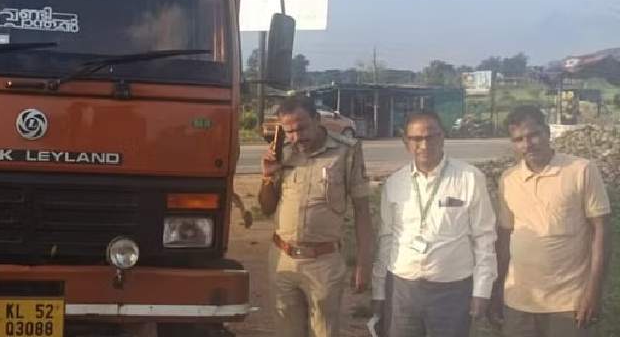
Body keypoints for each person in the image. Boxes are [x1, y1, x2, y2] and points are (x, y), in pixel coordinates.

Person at [371, 110, 497, 337]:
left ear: (443, 137)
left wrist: (482, 291)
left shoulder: (470, 178)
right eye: (416, 139)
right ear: (406, 142)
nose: (424, 145)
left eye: (431, 137)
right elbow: (386, 239)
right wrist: (379, 293)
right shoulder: (394, 183)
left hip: (452, 291)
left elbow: (484, 238)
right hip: (403, 290)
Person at [489, 105, 611, 336]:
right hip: (519, 301)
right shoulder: (509, 179)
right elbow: (505, 237)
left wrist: (594, 291)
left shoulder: (581, 170)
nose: (527, 144)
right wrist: (497, 292)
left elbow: (601, 231)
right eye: (518, 139)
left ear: (547, 132)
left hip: (569, 302)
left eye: (533, 135)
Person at [259, 95, 373, 337]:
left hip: (324, 263)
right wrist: (268, 177)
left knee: (324, 332)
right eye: (289, 131)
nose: (296, 137)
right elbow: (267, 208)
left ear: (317, 119)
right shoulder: (284, 153)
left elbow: (362, 211)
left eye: (301, 128)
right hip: (283, 258)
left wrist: (364, 263)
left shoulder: (346, 152)